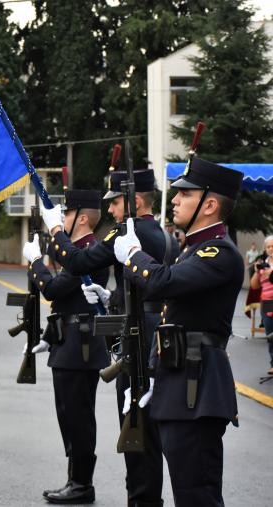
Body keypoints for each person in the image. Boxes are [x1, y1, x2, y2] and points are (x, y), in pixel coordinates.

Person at [113, 157, 244, 506]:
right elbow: (175, 319)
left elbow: (161, 284)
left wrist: (133, 256)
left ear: (210, 204)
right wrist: (153, 373)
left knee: (196, 496)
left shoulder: (219, 253)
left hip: (196, 389)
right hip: (179, 383)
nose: (174, 199)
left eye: (185, 194)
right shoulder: (192, 249)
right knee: (187, 491)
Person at [40, 169, 174, 507]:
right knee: (142, 430)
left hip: (137, 338)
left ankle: (141, 499)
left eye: (115, 202)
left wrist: (55, 229)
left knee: (136, 428)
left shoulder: (128, 232)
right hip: (149, 332)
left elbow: (76, 261)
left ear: (135, 201)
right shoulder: (160, 234)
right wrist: (109, 299)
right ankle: (142, 497)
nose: (112, 211)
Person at [22, 190, 110, 504]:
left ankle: (82, 484)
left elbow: (53, 288)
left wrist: (35, 263)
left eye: (67, 215)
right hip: (69, 343)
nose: (61, 220)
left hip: (80, 347)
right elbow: (62, 300)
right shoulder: (79, 252)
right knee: (69, 416)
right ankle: (75, 480)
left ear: (82, 218)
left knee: (78, 418)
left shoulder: (88, 252)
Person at [249, 235, 273, 375]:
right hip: (267, 302)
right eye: (268, 247)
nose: (271, 249)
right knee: (270, 334)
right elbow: (254, 286)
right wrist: (257, 272)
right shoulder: (263, 264)